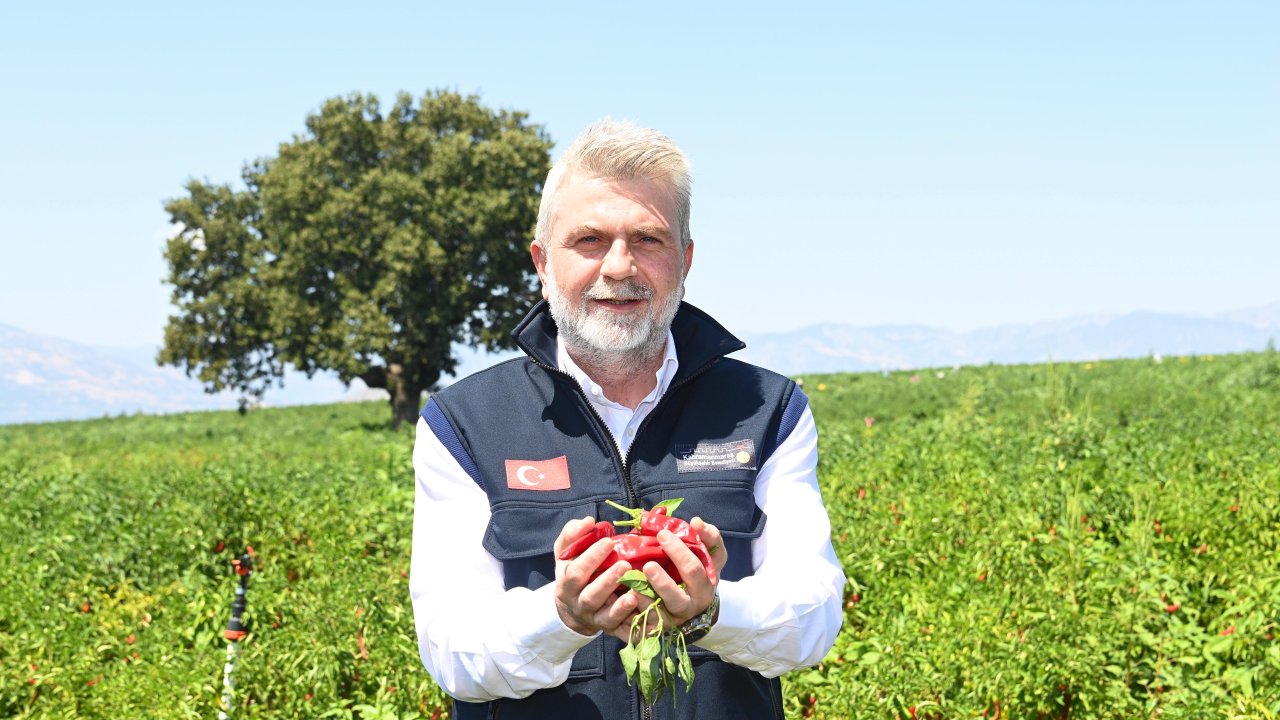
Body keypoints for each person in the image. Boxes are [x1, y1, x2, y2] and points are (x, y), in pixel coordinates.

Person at [410, 119, 845, 719]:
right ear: (542, 262)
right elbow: (450, 649)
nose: (619, 266)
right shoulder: (466, 424)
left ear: (685, 260)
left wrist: (712, 611)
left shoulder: (766, 410)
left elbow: (813, 617)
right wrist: (560, 616)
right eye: (589, 240)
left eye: (648, 239)